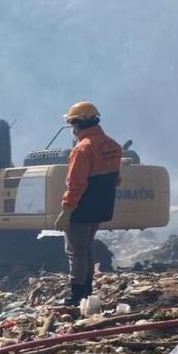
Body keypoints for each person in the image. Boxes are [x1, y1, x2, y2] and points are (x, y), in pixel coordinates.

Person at [54, 101, 122, 307]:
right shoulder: (112, 145)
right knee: (86, 248)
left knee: (75, 251)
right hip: (101, 206)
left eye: (73, 125)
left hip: (82, 207)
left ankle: (76, 294)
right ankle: (86, 291)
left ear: (77, 124)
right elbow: (116, 178)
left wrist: (66, 211)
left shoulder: (82, 149)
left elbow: (75, 184)